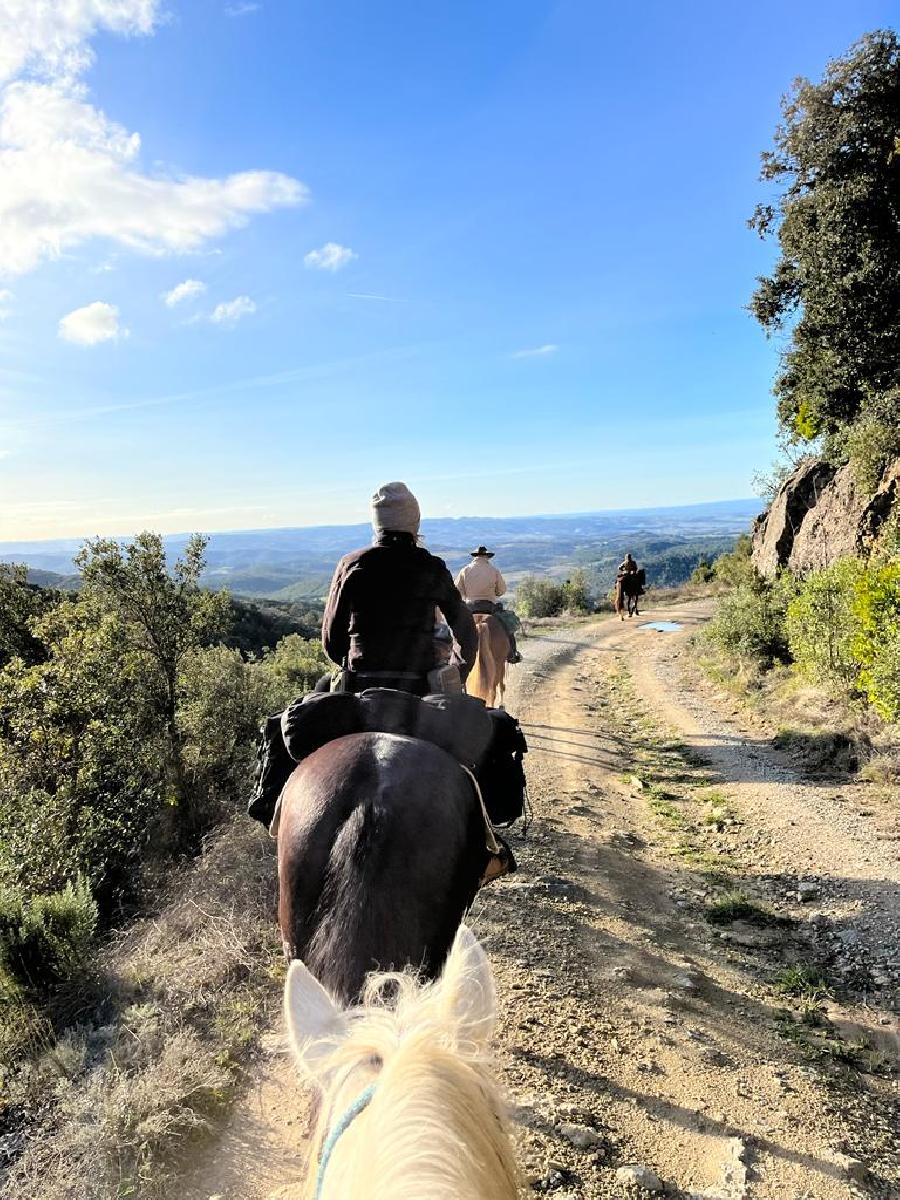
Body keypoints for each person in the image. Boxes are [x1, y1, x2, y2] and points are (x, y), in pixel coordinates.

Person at [322, 482, 478, 694]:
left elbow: (332, 640)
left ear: (377, 525)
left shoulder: (350, 565)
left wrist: (350, 663)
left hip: (361, 681)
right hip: (420, 684)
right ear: (415, 522)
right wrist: (457, 670)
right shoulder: (431, 567)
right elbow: (465, 629)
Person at [455, 546, 522, 663]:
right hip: (489, 607)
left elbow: (457, 590)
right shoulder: (494, 570)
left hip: (470, 607)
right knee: (506, 627)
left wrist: (468, 594)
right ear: (487, 557)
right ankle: (512, 654)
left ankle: (452, 656)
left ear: (475, 556)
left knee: (455, 629)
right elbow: (502, 590)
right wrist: (493, 592)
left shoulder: (464, 570)